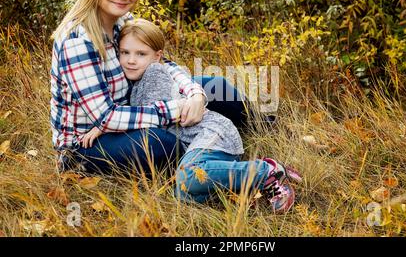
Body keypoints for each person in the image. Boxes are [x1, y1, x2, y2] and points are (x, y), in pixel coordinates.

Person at [50, 0, 246, 174]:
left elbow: (159, 64)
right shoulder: (77, 40)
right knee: (159, 143)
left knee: (216, 87)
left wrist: (195, 95)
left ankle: (262, 126)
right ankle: (208, 166)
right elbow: (106, 117)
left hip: (134, 106)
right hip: (86, 144)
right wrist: (179, 108)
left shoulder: (123, 19)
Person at [81, 19, 301, 213]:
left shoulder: (154, 72)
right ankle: (240, 185)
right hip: (193, 143)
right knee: (184, 195)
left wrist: (107, 124)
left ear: (157, 57)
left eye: (141, 54)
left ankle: (267, 172)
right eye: (125, 53)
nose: (131, 60)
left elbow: (153, 115)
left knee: (188, 176)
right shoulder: (135, 79)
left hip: (212, 134)